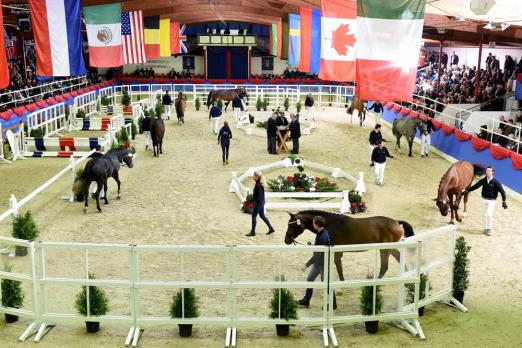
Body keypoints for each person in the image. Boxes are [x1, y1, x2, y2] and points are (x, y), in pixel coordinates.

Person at [298, 216, 337, 309]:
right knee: (309, 280)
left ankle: (333, 304)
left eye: (313, 223)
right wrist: (313, 246)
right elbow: (319, 249)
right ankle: (306, 300)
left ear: (316, 225)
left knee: (327, 284)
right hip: (318, 263)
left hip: (323, 264)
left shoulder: (322, 237)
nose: (313, 224)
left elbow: (317, 255)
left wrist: (306, 265)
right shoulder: (321, 233)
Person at [466, 166, 507, 236]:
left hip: (492, 201)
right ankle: (485, 228)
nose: (487, 172)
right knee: (485, 215)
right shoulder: (483, 180)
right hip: (483, 199)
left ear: (492, 172)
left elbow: (503, 192)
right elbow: (476, 186)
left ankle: (489, 229)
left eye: (489, 171)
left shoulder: (496, 182)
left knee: (489, 214)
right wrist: (467, 190)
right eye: (487, 170)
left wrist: (504, 201)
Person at [246, 171, 275, 237]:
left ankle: (252, 232)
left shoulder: (258, 185)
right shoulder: (259, 183)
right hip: (261, 202)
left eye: (253, 176)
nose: (252, 176)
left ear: (257, 177)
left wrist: (255, 202)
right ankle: (271, 228)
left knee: (253, 216)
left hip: (259, 203)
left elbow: (259, 196)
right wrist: (252, 200)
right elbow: (259, 195)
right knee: (262, 216)